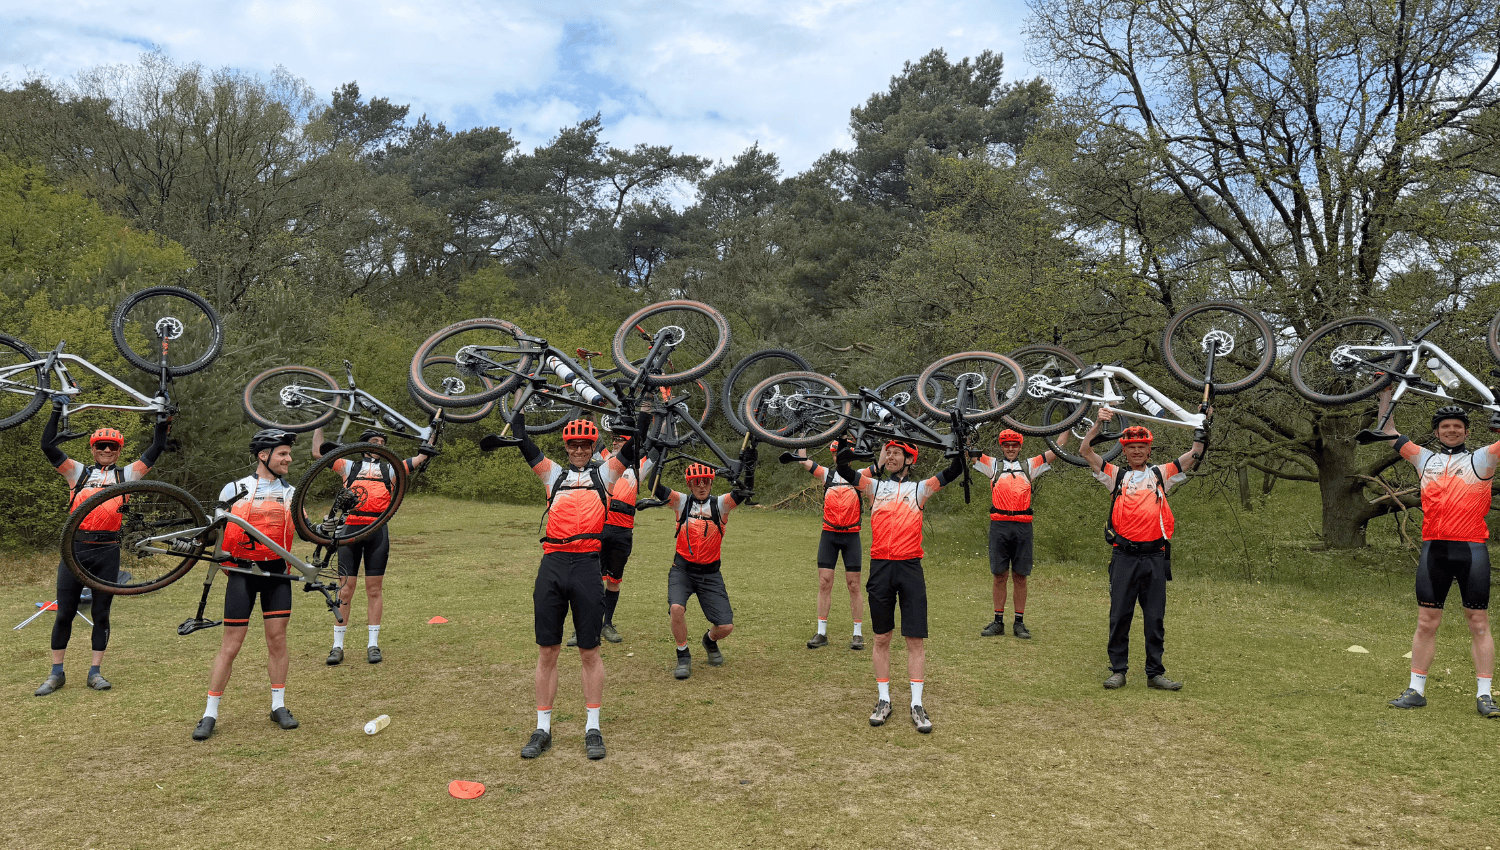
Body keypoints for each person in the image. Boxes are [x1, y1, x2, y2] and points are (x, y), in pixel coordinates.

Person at [502, 412, 644, 760]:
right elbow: (527, 447)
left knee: (589, 651)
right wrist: (517, 420)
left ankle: (592, 727)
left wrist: (640, 416)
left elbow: (635, 445)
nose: (579, 449)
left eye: (584, 444)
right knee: (547, 651)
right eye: (573, 444)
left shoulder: (605, 473)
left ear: (593, 445)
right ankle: (542, 729)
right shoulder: (554, 474)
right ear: (566, 447)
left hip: (585, 566)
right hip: (552, 565)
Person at [1375, 390, 1498, 718]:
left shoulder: (1483, 458)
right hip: (1434, 551)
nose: (1452, 430)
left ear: (1467, 431)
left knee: (1478, 622)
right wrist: (1386, 392)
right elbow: (1387, 431)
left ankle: (1485, 696)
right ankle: (1416, 690)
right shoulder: (1424, 459)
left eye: (1458, 426)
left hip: (1472, 550)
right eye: (1446, 426)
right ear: (1437, 431)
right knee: (1427, 621)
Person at [34, 404, 170, 696]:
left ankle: (95, 672)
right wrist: (57, 409)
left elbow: (158, 446)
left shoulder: (127, 475)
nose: (107, 450)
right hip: (75, 549)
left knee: (101, 613)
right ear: (93, 448)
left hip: (108, 550)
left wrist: (163, 417)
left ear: (119, 450)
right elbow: (47, 445)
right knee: (65, 613)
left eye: (112, 446)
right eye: (101, 445)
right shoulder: (77, 473)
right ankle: (56, 673)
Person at [835, 439, 966, 733]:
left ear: (910, 460)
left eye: (897, 453)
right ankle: (884, 700)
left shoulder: (920, 488)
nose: (891, 456)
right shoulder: (873, 487)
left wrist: (958, 445)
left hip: (910, 568)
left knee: (914, 640)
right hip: (881, 567)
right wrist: (847, 449)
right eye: (889, 452)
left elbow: (955, 469)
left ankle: (917, 704)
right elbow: (844, 469)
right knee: (881, 638)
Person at [1079, 409, 1207, 691]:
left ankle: (1155, 673)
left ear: (1149, 450)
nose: (1137, 451)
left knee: (1154, 617)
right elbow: (1085, 450)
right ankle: (1118, 670)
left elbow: (1196, 453)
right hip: (1124, 556)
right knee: (1119, 615)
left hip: (1154, 557)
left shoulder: (1162, 474)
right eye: (1131, 447)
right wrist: (1099, 424)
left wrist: (1202, 422)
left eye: (1142, 447)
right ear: (1124, 451)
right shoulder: (1116, 475)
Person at [194, 429, 302, 740]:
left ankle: (278, 706)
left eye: (288, 454)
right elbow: (215, 531)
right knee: (231, 645)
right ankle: (209, 712)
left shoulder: (293, 492)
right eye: (282, 453)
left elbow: (307, 529)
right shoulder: (235, 488)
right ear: (263, 455)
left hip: (277, 574)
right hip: (241, 574)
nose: (288, 459)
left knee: (277, 640)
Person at [311, 427, 429, 666]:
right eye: (375, 441)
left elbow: (421, 457)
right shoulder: (349, 466)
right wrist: (320, 424)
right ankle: (337, 647)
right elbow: (317, 453)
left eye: (383, 442)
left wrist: (432, 430)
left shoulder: (391, 468)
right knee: (346, 589)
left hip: (377, 531)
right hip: (350, 531)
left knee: (374, 589)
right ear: (364, 445)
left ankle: (373, 645)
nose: (379, 445)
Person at [655, 460, 754, 680]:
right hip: (682, 570)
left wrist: (747, 462)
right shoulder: (681, 502)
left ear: (711, 484)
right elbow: (656, 486)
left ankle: (709, 640)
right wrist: (657, 454)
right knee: (677, 608)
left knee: (726, 626)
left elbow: (743, 491)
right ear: (689, 485)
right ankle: (683, 654)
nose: (702, 486)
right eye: (696, 482)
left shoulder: (721, 504)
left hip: (710, 573)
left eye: (706, 482)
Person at [972, 429, 1068, 640]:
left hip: (1023, 526)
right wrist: (969, 425)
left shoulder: (1029, 465)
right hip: (999, 525)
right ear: (1001, 447)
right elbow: (969, 451)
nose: (1011, 448)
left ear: (1020, 446)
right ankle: (998, 622)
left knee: (1020, 576)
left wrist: (1068, 423)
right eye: (1007, 445)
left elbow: (1057, 449)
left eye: (1014, 445)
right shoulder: (993, 465)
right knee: (999, 575)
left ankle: (1019, 622)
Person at [567, 431, 649, 646]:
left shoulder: (639, 465)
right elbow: (594, 433)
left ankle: (607, 624)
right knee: (588, 578)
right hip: (598, 526)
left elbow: (658, 445)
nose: (615, 442)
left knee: (614, 580)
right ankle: (580, 627)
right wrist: (590, 402)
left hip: (623, 530)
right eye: (614, 439)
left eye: (621, 439)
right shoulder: (604, 459)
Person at [787, 442, 867, 650]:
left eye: (844, 454)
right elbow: (804, 461)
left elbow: (882, 465)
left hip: (851, 536)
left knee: (854, 585)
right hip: (829, 535)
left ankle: (857, 634)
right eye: (836, 454)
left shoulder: (860, 474)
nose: (839, 457)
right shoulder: (827, 475)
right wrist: (802, 436)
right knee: (824, 582)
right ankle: (821, 632)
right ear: (832, 456)